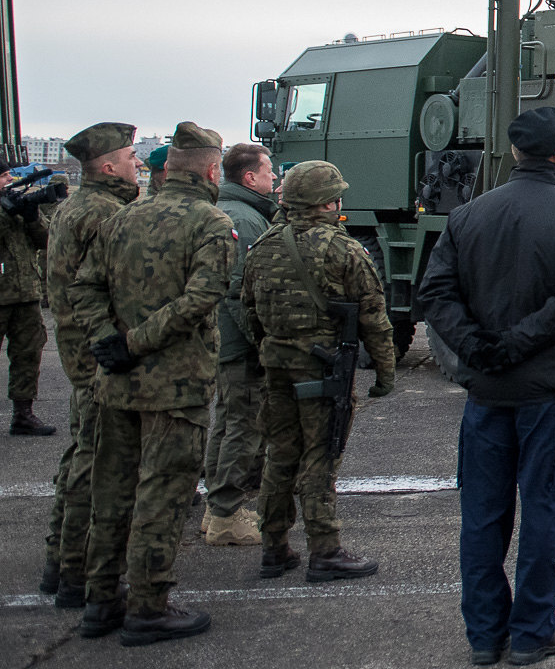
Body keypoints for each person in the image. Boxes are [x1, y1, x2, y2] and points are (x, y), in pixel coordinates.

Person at [418, 107, 555, 667]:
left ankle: (483, 636)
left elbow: (436, 293)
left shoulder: (468, 215)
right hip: (547, 395)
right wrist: (519, 343)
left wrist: (477, 347)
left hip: (487, 393)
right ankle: (530, 634)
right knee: (542, 514)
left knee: (481, 517)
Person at [70, 121, 234, 645]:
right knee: (161, 497)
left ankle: (101, 601)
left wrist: (107, 342)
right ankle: (148, 607)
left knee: (112, 493)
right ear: (212, 170)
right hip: (174, 386)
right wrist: (136, 341)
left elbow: (85, 285)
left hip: (117, 383)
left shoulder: (122, 218)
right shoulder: (210, 222)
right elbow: (200, 299)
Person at [241, 160, 394, 583]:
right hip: (324, 369)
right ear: (328, 202)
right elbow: (374, 319)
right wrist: (385, 374)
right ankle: (325, 550)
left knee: (280, 454)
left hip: (276, 367)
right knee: (321, 456)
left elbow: (249, 310)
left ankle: (274, 546)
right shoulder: (344, 250)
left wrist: (271, 347)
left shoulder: (265, 245)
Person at [37, 123, 139, 608]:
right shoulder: (103, 211)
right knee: (95, 462)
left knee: (82, 451)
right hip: (98, 354)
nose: (136, 163)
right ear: (107, 166)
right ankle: (74, 570)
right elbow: (111, 288)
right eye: (130, 156)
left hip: (81, 348)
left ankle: (61, 561)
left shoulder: (75, 206)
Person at [200, 143, 276, 546]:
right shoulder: (245, 220)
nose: (274, 178)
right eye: (269, 171)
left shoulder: (228, 211)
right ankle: (226, 515)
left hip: (222, 341)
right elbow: (240, 294)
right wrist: (262, 343)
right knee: (241, 426)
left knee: (227, 421)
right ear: (249, 178)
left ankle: (215, 509)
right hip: (238, 343)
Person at [0, 166, 54, 435]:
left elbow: (46, 241)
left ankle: (23, 414)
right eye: (3, 176)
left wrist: (31, 215)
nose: (10, 179)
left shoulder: (15, 202)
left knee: (28, 353)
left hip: (25, 294)